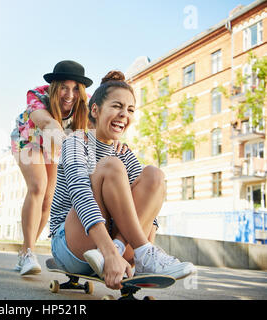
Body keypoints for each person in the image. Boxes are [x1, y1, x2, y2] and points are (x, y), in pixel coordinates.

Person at [49, 70, 196, 290]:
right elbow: (80, 195)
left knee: (155, 176)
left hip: (115, 245)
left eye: (130, 110)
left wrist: (137, 255)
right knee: (111, 166)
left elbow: (149, 211)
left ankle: (141, 254)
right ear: (96, 110)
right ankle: (115, 250)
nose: (123, 115)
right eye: (117, 106)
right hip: (72, 244)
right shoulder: (75, 142)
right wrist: (107, 251)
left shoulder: (125, 153)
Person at [10, 60, 93, 275]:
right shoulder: (37, 96)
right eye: (64, 87)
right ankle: (29, 254)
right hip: (28, 139)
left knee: (48, 199)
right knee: (38, 187)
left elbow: (100, 127)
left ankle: (25, 251)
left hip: (53, 145)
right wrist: (72, 148)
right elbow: (48, 124)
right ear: (55, 86)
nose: (69, 94)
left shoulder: (87, 103)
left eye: (76, 88)